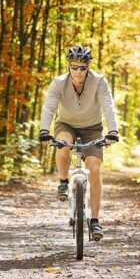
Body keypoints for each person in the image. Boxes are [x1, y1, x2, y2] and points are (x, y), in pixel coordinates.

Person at [38, 46, 119, 241]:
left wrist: (113, 131)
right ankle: (63, 182)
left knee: (94, 167)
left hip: (92, 127)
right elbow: (49, 107)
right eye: (74, 67)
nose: (78, 72)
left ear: (88, 67)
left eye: (82, 68)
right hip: (66, 124)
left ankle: (95, 221)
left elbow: (109, 106)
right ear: (69, 66)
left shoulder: (99, 82)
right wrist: (43, 130)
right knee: (63, 144)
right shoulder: (58, 83)